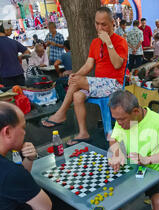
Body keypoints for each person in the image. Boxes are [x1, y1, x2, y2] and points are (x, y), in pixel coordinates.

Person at [40, 7, 128, 145]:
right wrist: (76, 74)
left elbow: (117, 65)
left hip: (114, 84)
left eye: (103, 24)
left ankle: (61, 113)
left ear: (112, 23)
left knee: (75, 82)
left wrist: (109, 43)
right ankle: (83, 133)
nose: (99, 27)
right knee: (77, 95)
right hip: (99, 84)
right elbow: (88, 65)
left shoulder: (120, 41)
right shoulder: (95, 42)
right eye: (97, 23)